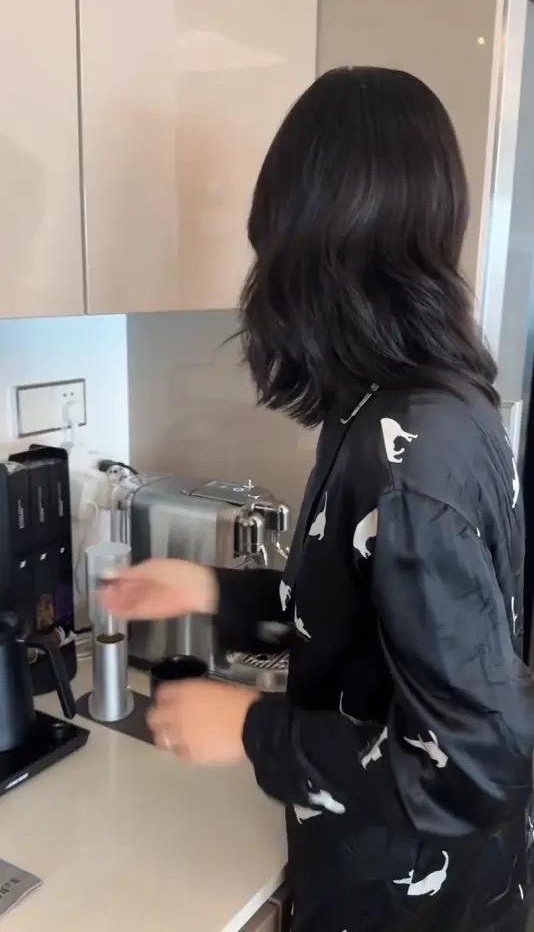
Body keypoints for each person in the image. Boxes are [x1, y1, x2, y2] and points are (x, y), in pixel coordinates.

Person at [101, 67, 534, 932]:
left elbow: (477, 768)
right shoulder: (404, 405)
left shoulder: (408, 451)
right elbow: (363, 617)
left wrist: (252, 727)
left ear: (315, 240)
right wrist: (215, 592)